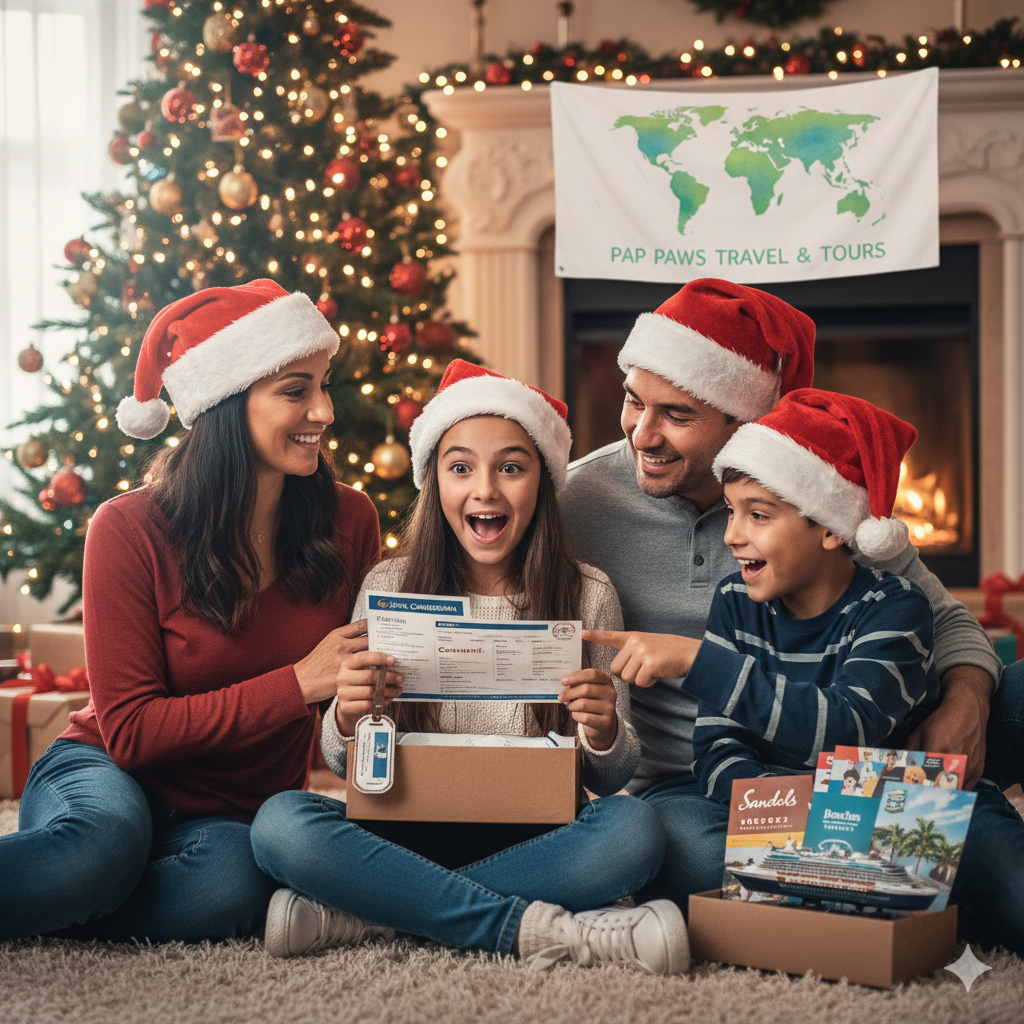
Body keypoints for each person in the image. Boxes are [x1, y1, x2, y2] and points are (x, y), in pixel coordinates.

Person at [560, 279, 1020, 954]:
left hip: (872, 745)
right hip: (705, 784)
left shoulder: (812, 488)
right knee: (673, 853)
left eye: (677, 415)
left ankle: (913, 850)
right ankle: (930, 851)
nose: (641, 433)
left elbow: (944, 620)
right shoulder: (579, 499)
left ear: (744, 428)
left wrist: (968, 698)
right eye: (634, 401)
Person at [250, 360, 688, 974]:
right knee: (281, 823)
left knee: (635, 829)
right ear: (434, 482)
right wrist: (347, 718)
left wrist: (603, 727)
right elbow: (343, 764)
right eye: (461, 468)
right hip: (405, 827)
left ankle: (373, 912)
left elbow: (612, 777)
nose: (486, 489)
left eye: (511, 467)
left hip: (534, 835)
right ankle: (523, 925)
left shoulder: (588, 593)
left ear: (542, 482)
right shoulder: (388, 585)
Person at [0, 280, 380, 942]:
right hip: (108, 772)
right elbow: (131, 733)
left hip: (234, 814)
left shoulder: (350, 520)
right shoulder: (126, 528)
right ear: (228, 402)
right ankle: (84, 881)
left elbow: (351, 715)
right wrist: (300, 683)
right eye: (295, 390)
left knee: (236, 882)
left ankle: (69, 901)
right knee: (100, 851)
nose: (323, 410)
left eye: (323, 385)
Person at [602, 389, 940, 804]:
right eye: (731, 511)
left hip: (881, 810)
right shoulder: (735, 600)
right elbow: (718, 747)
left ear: (832, 527)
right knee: (678, 838)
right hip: (769, 813)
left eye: (758, 516)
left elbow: (847, 727)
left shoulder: (896, 607)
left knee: (992, 845)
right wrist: (775, 807)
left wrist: (697, 660)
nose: (731, 536)